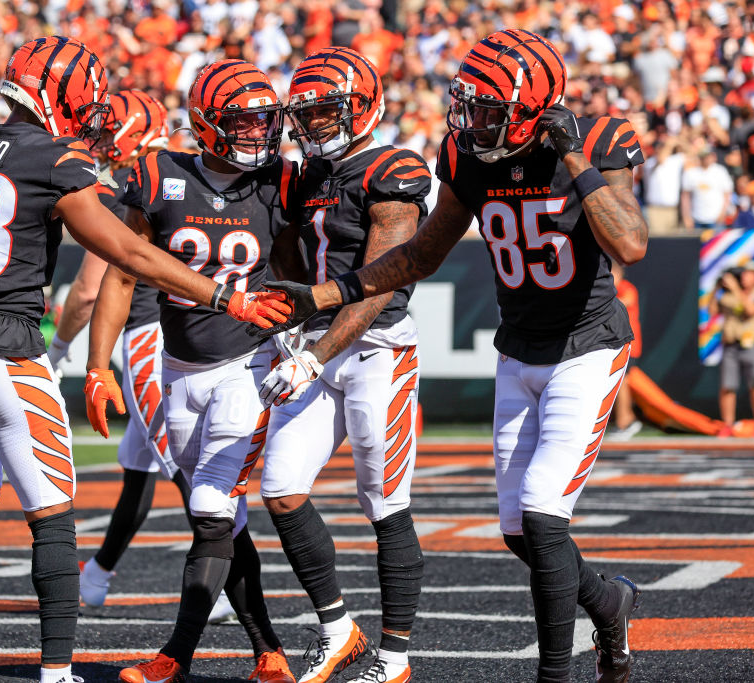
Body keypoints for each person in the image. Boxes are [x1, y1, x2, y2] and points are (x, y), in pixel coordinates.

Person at [0, 37, 291, 683]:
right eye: (83, 101)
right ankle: (58, 669)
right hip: (8, 351)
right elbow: (130, 255)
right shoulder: (54, 159)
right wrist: (224, 294)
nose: (89, 115)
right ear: (56, 95)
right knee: (53, 517)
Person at [266, 30, 648, 683]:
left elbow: (631, 243)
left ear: (533, 105)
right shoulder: (470, 158)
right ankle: (609, 601)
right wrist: (326, 294)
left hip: (585, 348)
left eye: (488, 110)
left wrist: (574, 154)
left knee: (541, 510)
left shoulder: (598, 141)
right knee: (518, 531)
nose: (472, 122)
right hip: (516, 348)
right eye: (468, 107)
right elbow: (418, 256)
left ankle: (554, 675)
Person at [86, 60, 303, 683]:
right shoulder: (159, 174)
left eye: (266, 121)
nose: (259, 134)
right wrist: (99, 366)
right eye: (243, 122)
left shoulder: (279, 183)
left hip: (247, 363)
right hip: (176, 369)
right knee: (222, 522)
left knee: (210, 511)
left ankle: (173, 656)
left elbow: (298, 267)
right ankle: (268, 650)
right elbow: (122, 275)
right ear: (206, 124)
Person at [256, 46, 430, 683]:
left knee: (384, 500)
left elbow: (381, 281)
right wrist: (293, 324)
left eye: (329, 110)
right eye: (308, 113)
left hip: (377, 347)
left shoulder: (394, 168)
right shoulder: (306, 175)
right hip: (320, 346)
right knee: (280, 487)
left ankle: (397, 657)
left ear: (363, 104)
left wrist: (317, 351)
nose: (318, 124)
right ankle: (339, 631)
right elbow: (296, 265)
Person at [48, 89, 233, 622]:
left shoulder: (131, 187)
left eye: (110, 133)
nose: (101, 142)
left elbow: (88, 290)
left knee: (187, 471)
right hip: (197, 329)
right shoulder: (192, 170)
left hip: (152, 338)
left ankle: (218, 584)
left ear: (131, 135)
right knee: (140, 468)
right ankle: (99, 574)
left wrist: (60, 349)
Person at [707, 264, 754, 438]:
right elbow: (712, 311)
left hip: (751, 344)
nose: (745, 278)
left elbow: (751, 310)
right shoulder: (727, 295)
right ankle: (727, 424)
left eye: (749, 274)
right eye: (743, 274)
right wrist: (717, 288)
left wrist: (736, 290)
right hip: (730, 345)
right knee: (727, 385)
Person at [609, 262, 643, 440]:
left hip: (628, 345)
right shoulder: (613, 290)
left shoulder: (627, 289)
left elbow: (620, 302)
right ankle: (623, 420)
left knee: (622, 383)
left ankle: (626, 422)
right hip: (616, 344)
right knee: (618, 383)